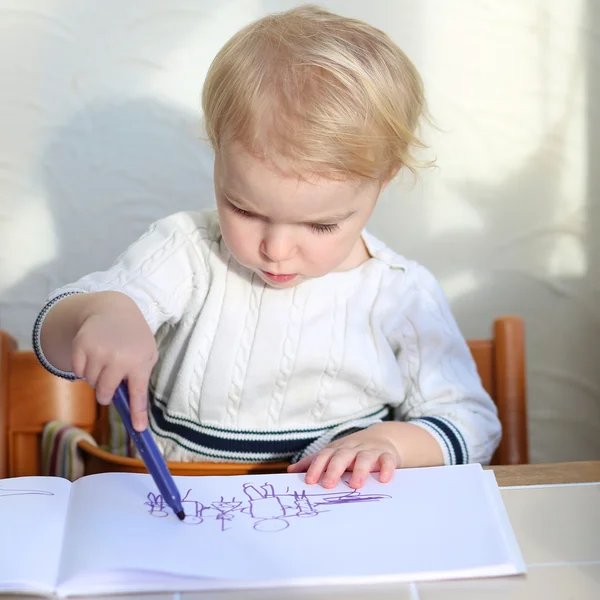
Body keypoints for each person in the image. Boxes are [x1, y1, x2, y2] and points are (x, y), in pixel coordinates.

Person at [32, 4, 501, 490]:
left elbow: (473, 424)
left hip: (336, 524)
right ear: (218, 157)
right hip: (180, 515)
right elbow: (54, 341)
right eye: (245, 209)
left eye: (320, 226)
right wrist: (102, 313)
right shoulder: (186, 252)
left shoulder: (400, 293)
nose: (276, 249)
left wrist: (393, 443)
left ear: (383, 183)